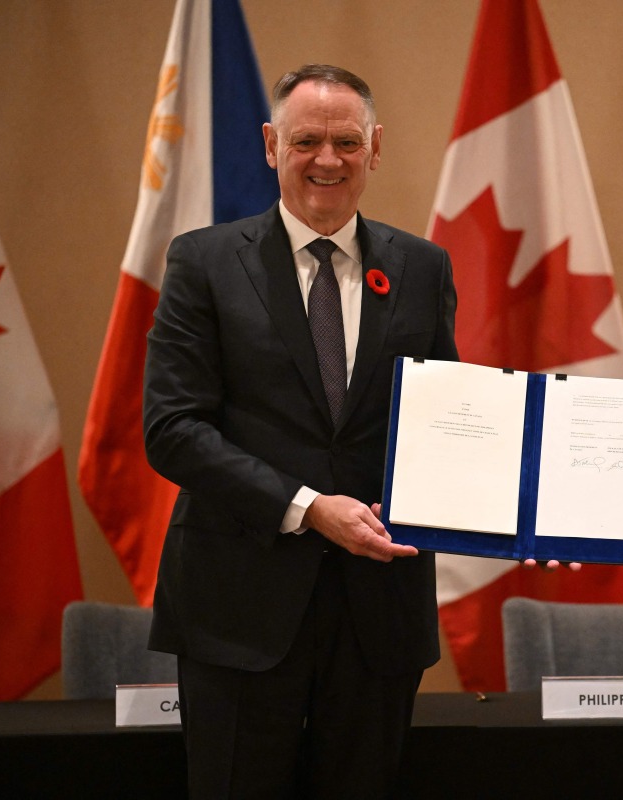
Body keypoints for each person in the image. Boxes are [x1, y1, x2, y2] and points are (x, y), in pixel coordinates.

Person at [143, 64, 459, 798]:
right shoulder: (205, 262)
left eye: (346, 141)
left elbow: (444, 422)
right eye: (306, 140)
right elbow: (172, 428)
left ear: (375, 147)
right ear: (269, 144)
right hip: (238, 611)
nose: (327, 160)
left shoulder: (422, 267)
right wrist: (309, 506)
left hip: (377, 613)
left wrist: (529, 515)